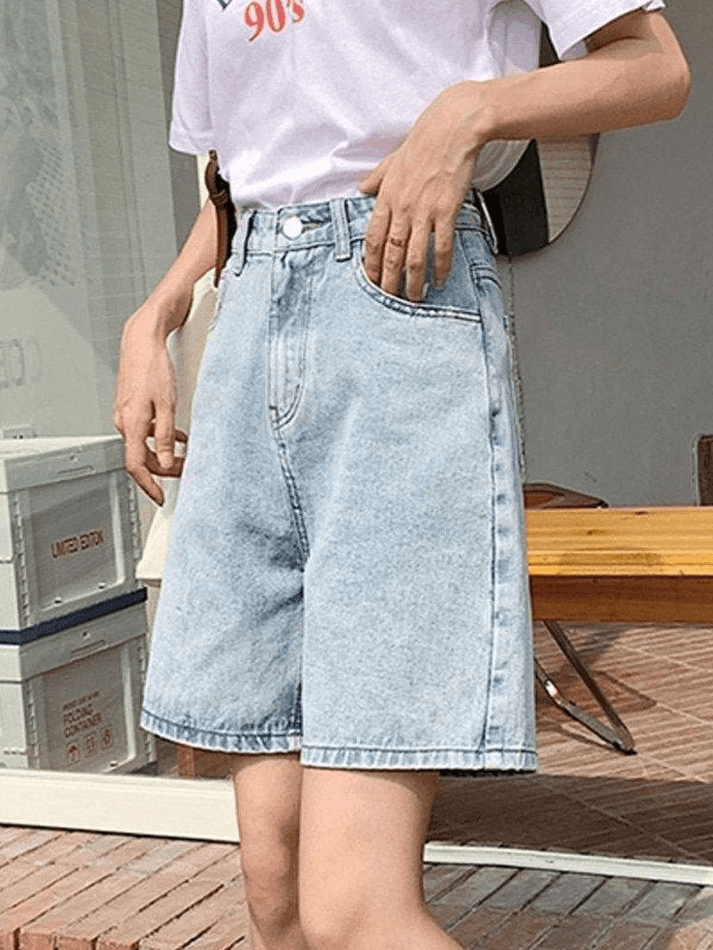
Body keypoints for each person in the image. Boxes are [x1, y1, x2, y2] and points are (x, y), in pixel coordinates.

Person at [114, 3, 689, 948]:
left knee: (353, 912)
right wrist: (157, 313)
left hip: (394, 300)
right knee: (277, 892)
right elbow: (234, 182)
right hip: (247, 319)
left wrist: (469, 111)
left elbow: (654, 68)